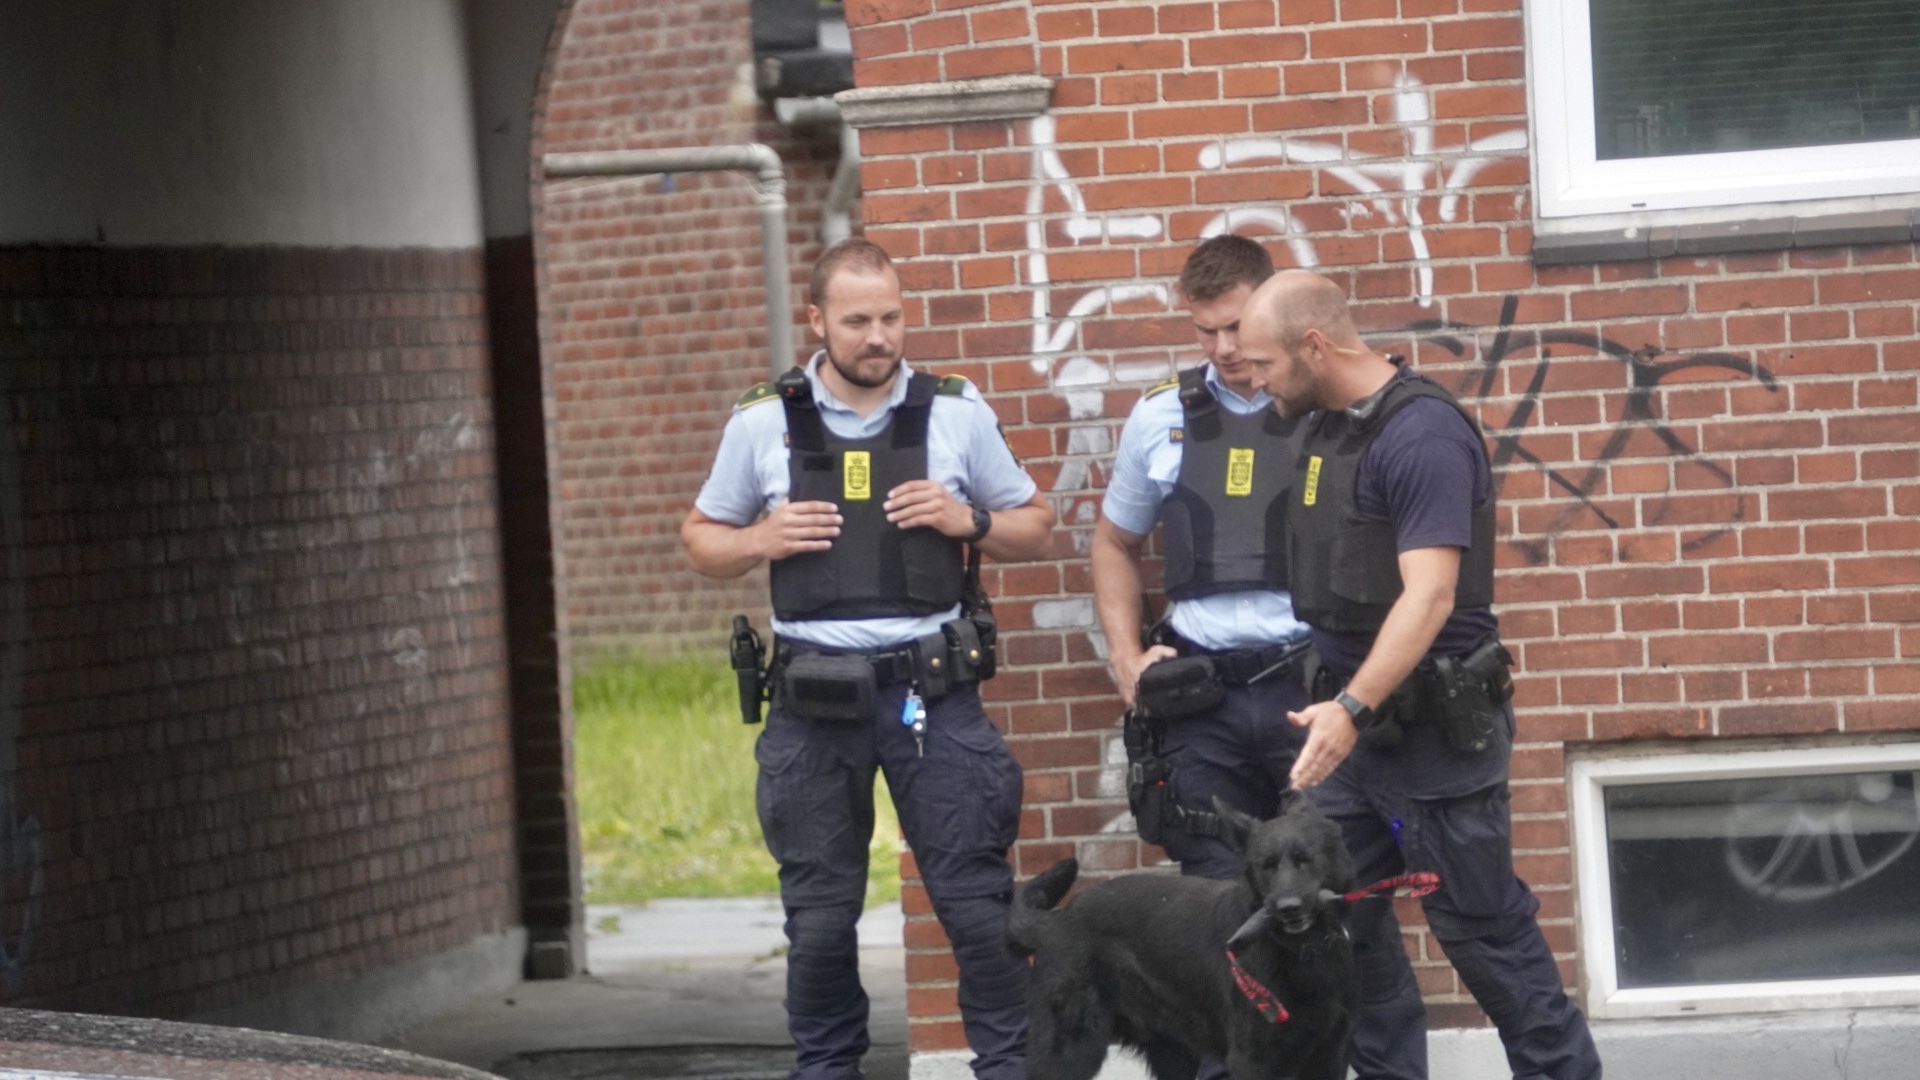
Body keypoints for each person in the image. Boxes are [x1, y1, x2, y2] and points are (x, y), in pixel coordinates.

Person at [681, 237, 1053, 1080]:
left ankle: (1009, 1069)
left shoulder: (955, 411)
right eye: (856, 321)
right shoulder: (764, 420)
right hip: (815, 704)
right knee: (818, 922)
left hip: (933, 699)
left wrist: (969, 521)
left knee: (978, 911)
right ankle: (827, 1070)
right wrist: (759, 539)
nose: (878, 336)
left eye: (890, 316)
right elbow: (700, 539)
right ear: (817, 320)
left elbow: (1035, 523)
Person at [1238, 270, 1603, 1080]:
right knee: (1336, 923)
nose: (1253, 380)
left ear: (1314, 346)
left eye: (1262, 363)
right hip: (1354, 738)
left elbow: (1431, 593)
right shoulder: (1328, 427)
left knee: (1483, 933)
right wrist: (1342, 709)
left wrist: (1350, 708)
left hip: (1433, 736)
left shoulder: (1422, 436)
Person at [1091, 234, 1314, 878]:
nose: (1223, 348)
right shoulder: (1160, 413)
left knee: (1331, 886)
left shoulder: (1323, 403)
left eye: (1237, 327)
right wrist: (1126, 658)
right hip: (1203, 700)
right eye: (1205, 330)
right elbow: (1114, 542)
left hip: (1307, 685)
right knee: (1215, 895)